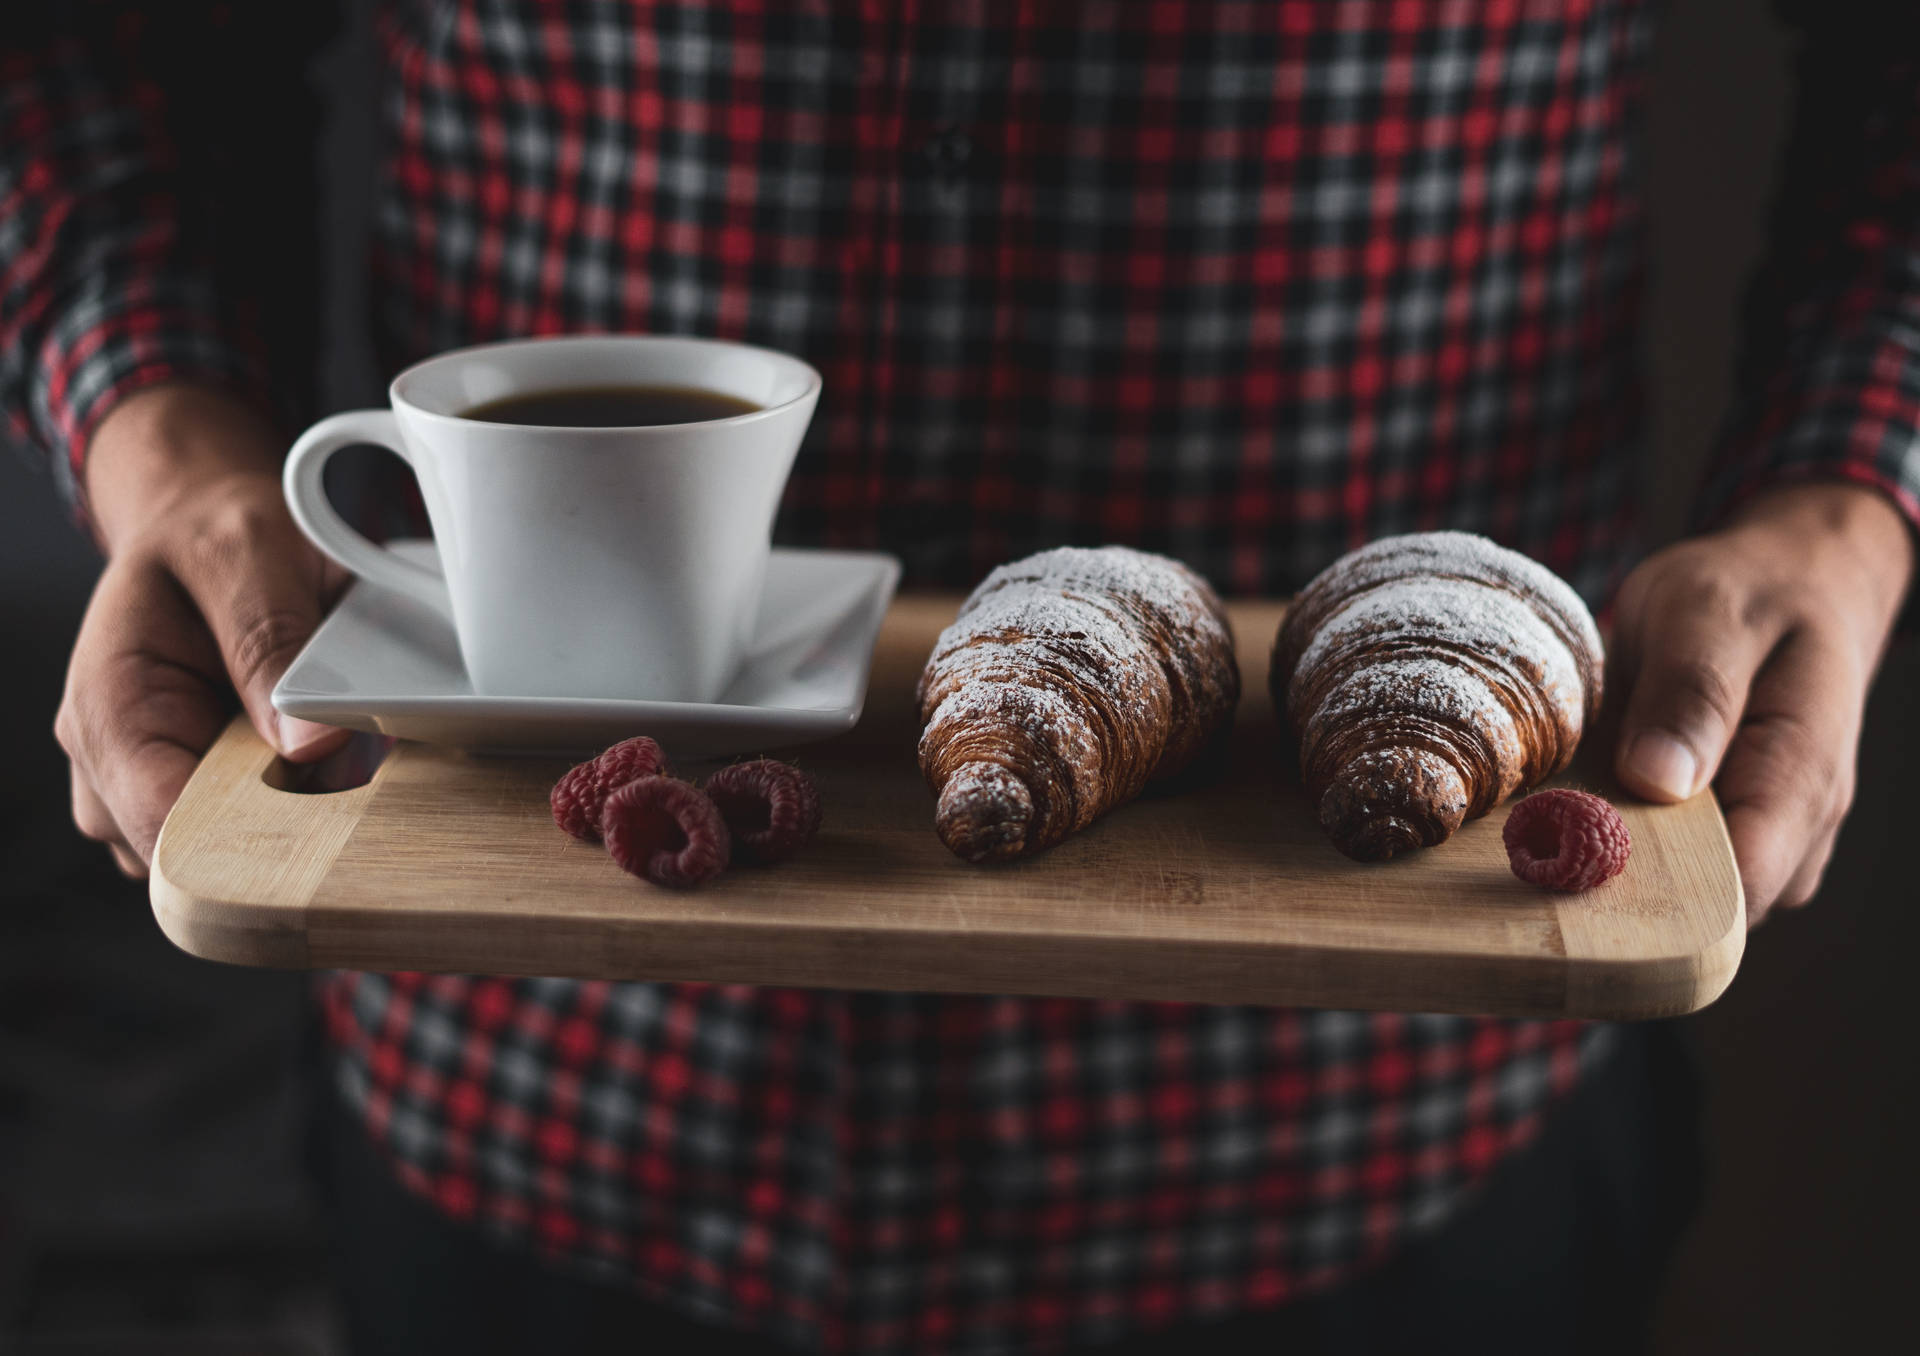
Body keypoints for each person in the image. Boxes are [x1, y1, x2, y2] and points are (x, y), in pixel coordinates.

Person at [4, 2, 1914, 1353]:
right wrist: (159, 432)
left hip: (1383, 1109)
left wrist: (1851, 479)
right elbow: (100, 44)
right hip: (534, 1069)